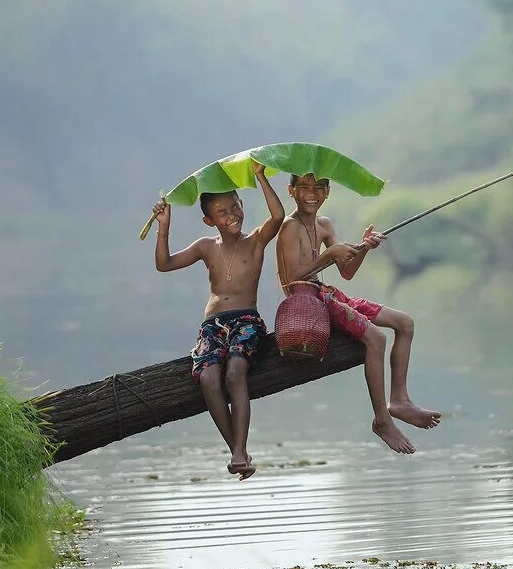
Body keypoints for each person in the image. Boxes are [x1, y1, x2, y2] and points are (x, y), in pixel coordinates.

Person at [275, 173, 441, 454]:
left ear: (328, 191)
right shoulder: (289, 227)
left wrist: (362, 248)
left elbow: (347, 272)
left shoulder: (324, 225)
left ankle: (399, 400)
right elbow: (291, 281)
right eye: (303, 187)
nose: (311, 193)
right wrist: (329, 255)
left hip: (328, 293)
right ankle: (381, 418)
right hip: (308, 303)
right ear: (291, 190)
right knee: (376, 339)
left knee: (405, 323)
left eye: (319, 187)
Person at [151, 160, 284, 480]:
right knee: (209, 378)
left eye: (236, 206)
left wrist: (260, 177)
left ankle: (240, 449)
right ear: (209, 220)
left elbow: (278, 217)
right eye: (223, 212)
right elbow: (164, 264)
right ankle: (237, 451)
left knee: (235, 372)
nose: (233, 214)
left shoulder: (255, 240)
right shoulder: (205, 247)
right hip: (213, 325)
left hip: (246, 321)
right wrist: (164, 226)